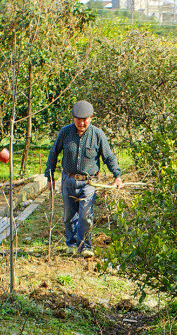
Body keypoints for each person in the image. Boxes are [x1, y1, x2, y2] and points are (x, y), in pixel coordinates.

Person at [45, 100, 122, 255]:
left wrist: (117, 176)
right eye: (78, 119)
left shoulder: (98, 135)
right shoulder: (65, 133)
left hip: (88, 183)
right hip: (68, 180)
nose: (81, 123)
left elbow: (108, 157)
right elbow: (53, 153)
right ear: (73, 118)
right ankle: (71, 244)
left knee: (86, 215)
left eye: (85, 119)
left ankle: (85, 246)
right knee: (69, 215)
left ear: (91, 118)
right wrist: (50, 176)